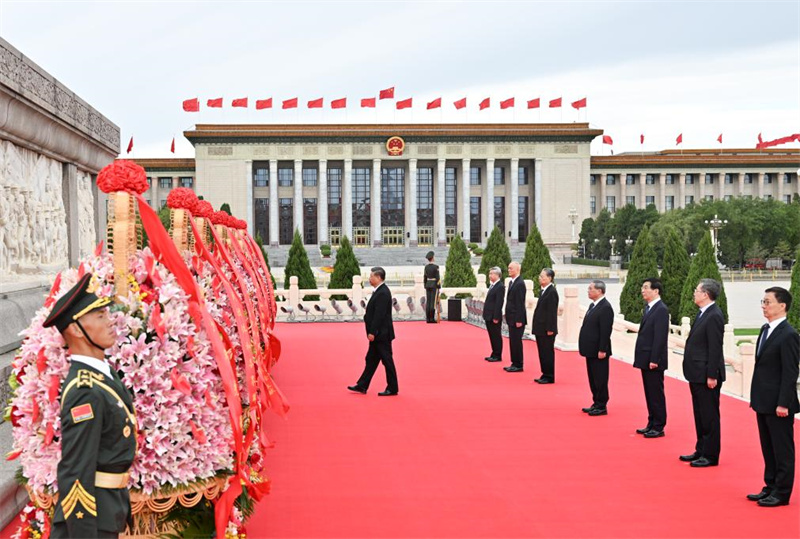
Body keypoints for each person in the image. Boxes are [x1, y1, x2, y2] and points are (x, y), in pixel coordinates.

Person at [43, 273, 137, 539]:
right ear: (75, 329)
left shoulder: (102, 376)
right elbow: (76, 471)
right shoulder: (85, 392)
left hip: (107, 509)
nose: (110, 321)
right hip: (90, 522)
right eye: (99, 316)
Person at [747, 286, 799, 507]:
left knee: (782, 449)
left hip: (779, 403)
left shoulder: (789, 335)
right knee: (768, 447)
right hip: (763, 400)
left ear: (782, 306)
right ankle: (770, 486)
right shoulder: (765, 329)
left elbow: (790, 372)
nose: (764, 306)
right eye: (763, 302)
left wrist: (783, 402)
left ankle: (782, 492)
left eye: (767, 302)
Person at [680, 279, 725, 468]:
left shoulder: (714, 315)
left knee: (709, 416)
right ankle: (701, 449)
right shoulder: (703, 313)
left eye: (696, 290)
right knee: (700, 414)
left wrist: (712, 375)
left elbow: (715, 347)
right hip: (696, 373)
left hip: (706, 374)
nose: (694, 293)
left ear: (705, 294)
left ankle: (711, 455)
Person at [348, 267, 399, 396]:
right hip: (378, 334)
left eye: (372, 276)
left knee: (387, 360)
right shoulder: (379, 291)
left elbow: (379, 315)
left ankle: (393, 388)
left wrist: (372, 332)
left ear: (379, 278)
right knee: (371, 359)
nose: (369, 279)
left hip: (381, 334)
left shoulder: (383, 293)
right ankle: (362, 385)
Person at [633, 278, 669, 438]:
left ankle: (659, 425)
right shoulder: (649, 308)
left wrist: (655, 359)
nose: (643, 290)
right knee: (649, 392)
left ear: (656, 291)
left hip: (654, 360)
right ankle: (651, 422)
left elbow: (660, 337)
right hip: (645, 357)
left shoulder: (661, 309)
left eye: (646, 287)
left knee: (656, 393)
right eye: (642, 287)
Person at [578, 280, 614, 415]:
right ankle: (596, 402)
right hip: (590, 349)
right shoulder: (592, 305)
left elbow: (605, 331)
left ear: (599, 291)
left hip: (599, 351)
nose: (588, 291)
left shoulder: (605, 307)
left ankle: (602, 405)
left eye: (590, 289)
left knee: (600, 378)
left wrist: (602, 349)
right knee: (593, 378)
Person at [532, 268, 559, 384]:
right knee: (542, 352)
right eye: (540, 276)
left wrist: (550, 329)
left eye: (542, 277)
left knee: (547, 353)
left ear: (549, 278)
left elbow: (552, 313)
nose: (540, 278)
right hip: (540, 328)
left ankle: (549, 376)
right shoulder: (543, 291)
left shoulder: (552, 292)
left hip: (547, 329)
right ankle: (544, 373)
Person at [503, 261, 527, 373]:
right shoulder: (511, 282)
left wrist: (519, 319)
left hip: (517, 319)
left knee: (517, 342)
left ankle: (519, 364)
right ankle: (514, 363)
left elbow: (520, 303)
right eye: (508, 268)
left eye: (511, 268)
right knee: (512, 341)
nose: (509, 270)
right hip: (511, 317)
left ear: (518, 270)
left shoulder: (520, 283)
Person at [483, 266, 505, 362]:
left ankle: (497, 355)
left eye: (492, 274)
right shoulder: (492, 285)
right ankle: (494, 353)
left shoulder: (500, 286)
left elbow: (499, 303)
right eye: (490, 273)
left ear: (497, 275)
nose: (490, 275)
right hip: (488, 315)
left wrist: (496, 317)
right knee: (492, 335)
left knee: (496, 336)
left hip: (494, 316)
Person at [423, 251, 440, 323]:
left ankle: (428, 318)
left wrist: (425, 285)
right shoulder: (436, 267)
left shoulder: (426, 267)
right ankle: (432, 318)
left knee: (428, 301)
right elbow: (437, 278)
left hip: (428, 284)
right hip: (434, 285)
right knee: (433, 302)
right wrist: (439, 286)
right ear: (432, 258)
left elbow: (425, 277)